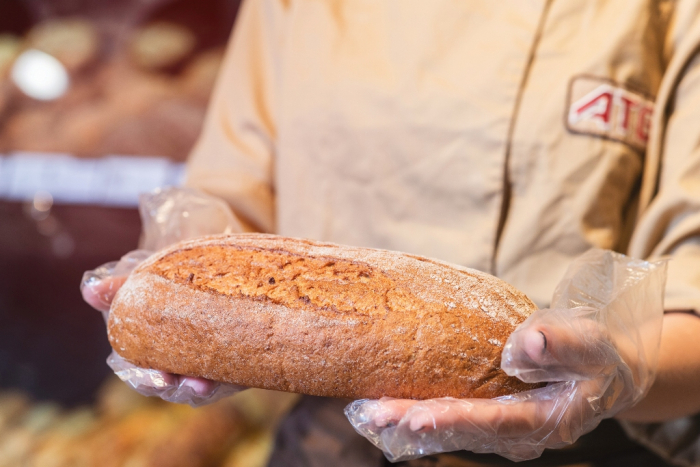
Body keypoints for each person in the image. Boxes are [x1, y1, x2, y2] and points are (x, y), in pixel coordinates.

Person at [83, 1, 700, 465]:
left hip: (588, 442)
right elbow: (233, 190)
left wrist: (623, 373)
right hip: (332, 442)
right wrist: (191, 299)